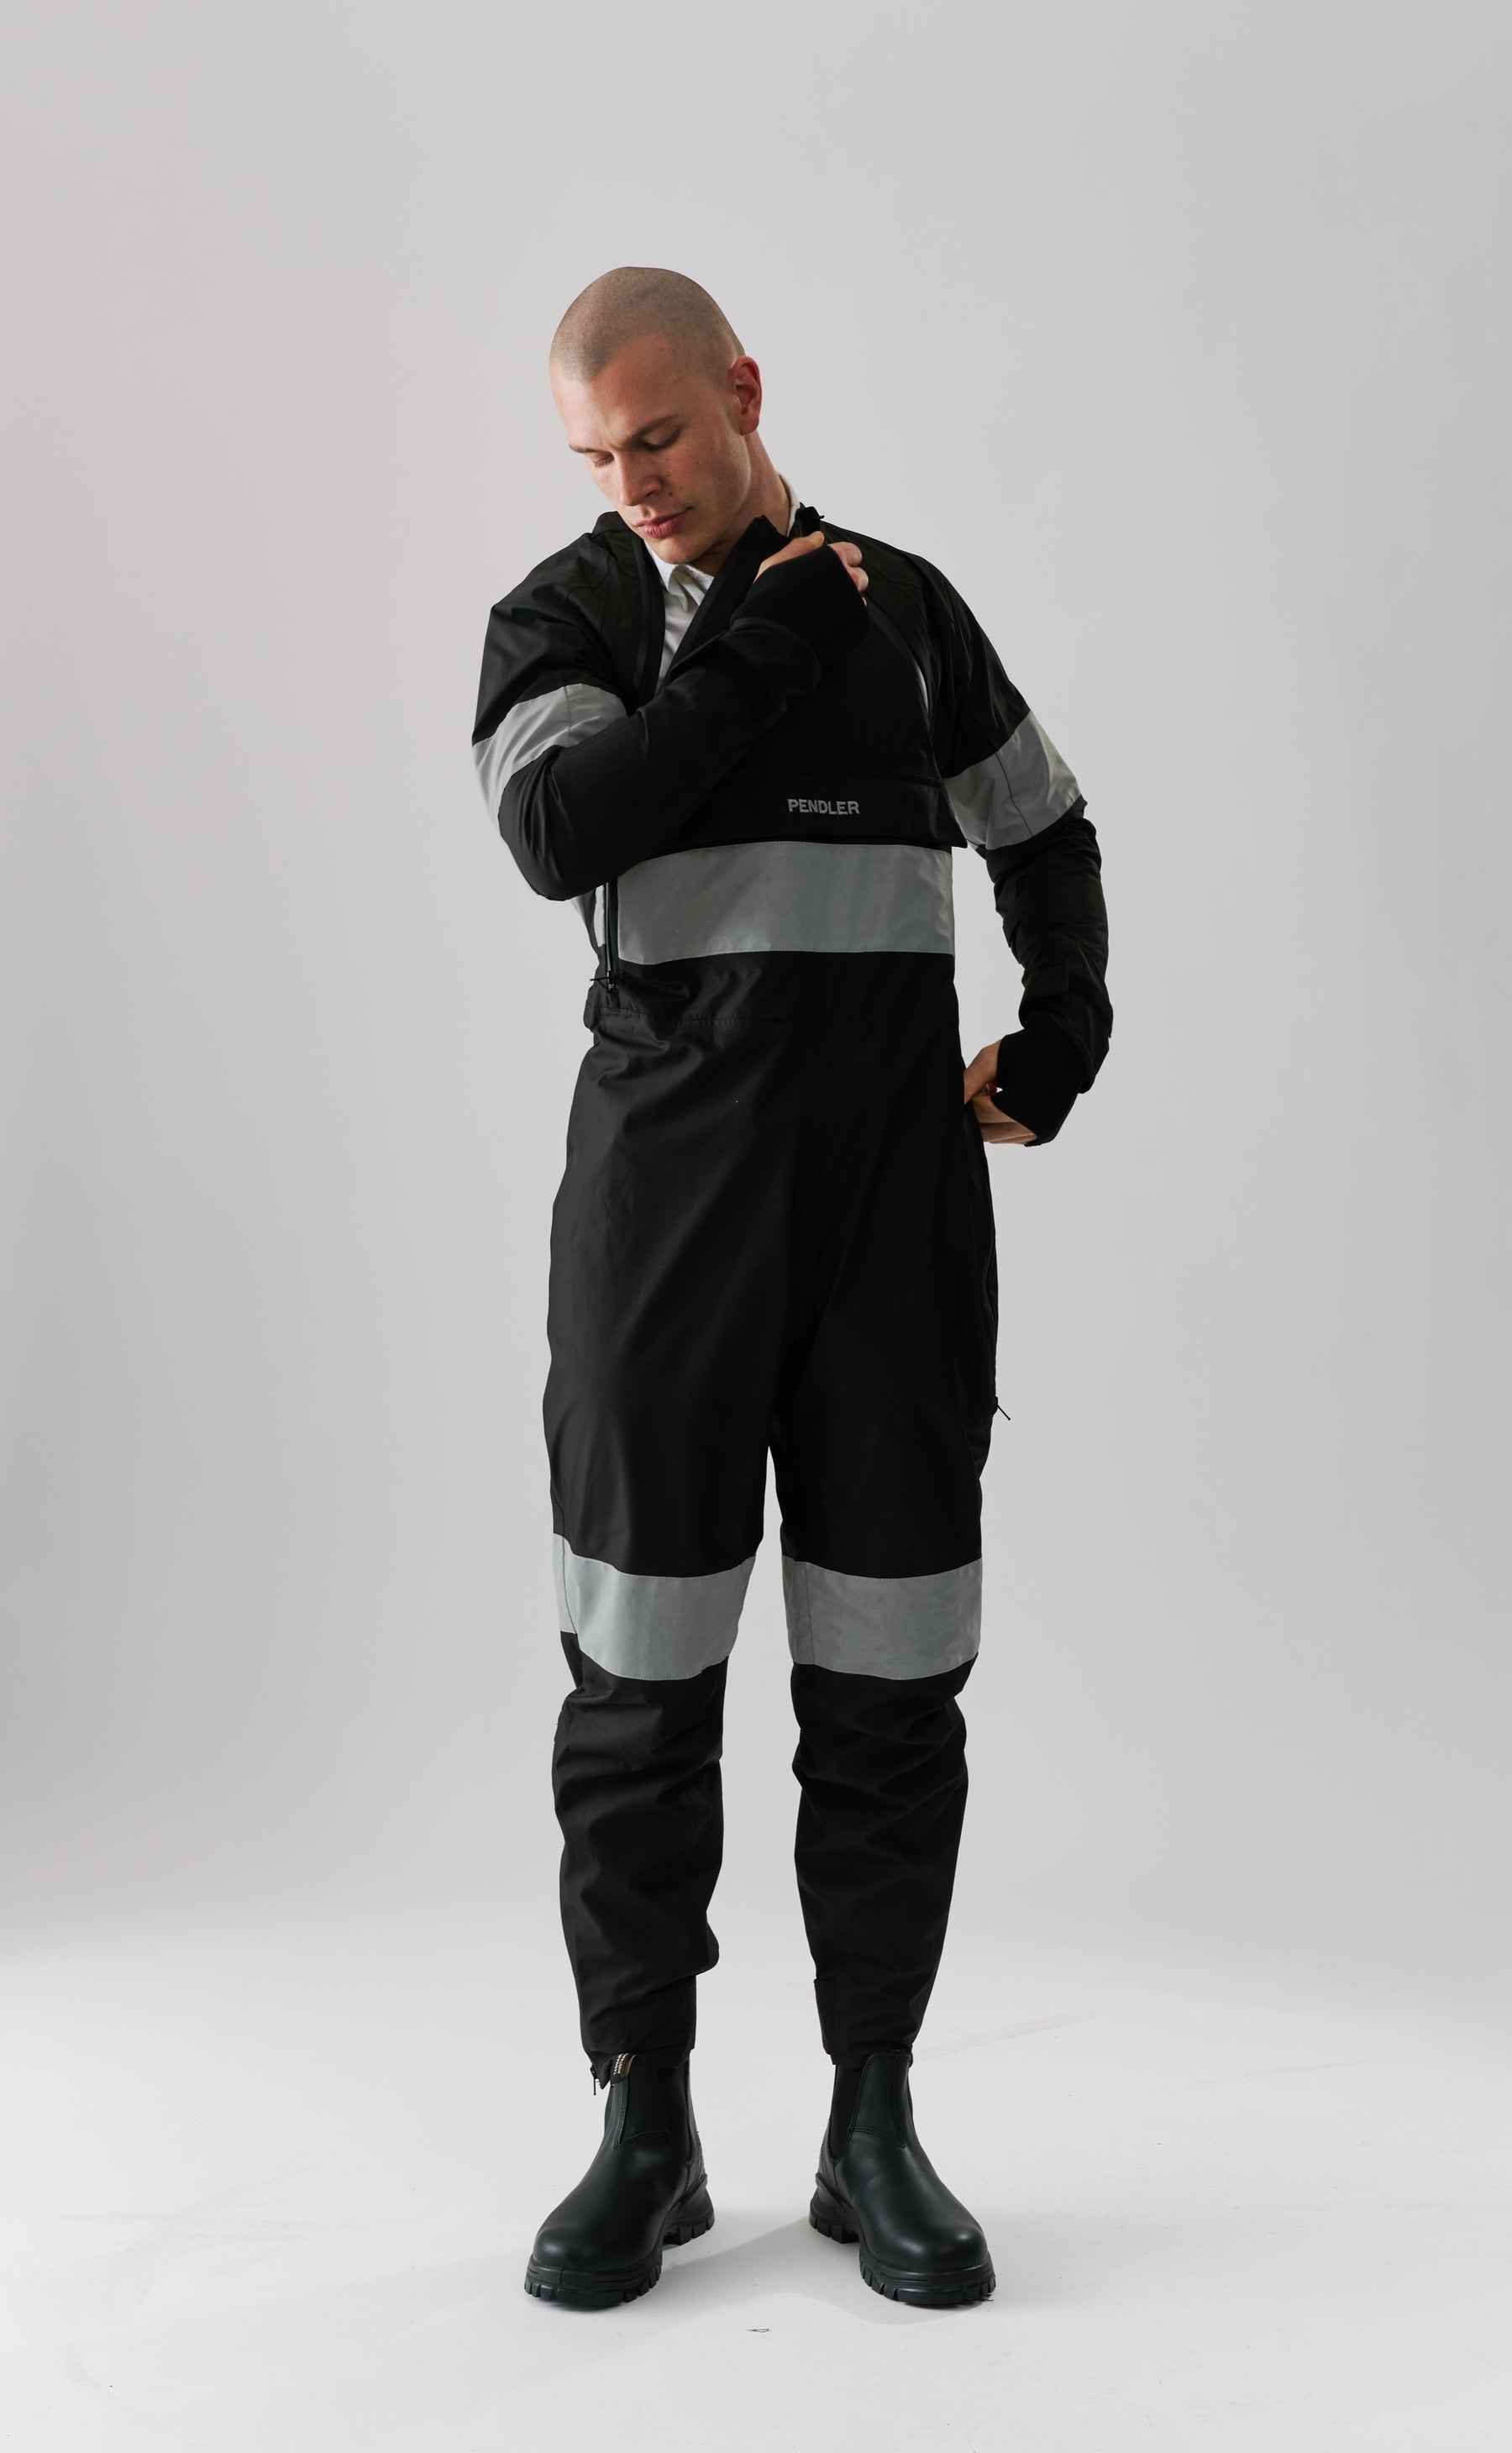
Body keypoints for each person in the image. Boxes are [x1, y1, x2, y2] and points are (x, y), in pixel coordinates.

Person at [470, 267, 1112, 2312]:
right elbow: (562, 823)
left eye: (659, 435)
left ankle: (872, 2116)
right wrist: (761, 644)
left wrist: (1064, 1033)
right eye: (596, 454)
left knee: (893, 1681)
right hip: (663, 1221)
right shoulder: (563, 621)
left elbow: (1045, 827)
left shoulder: (905, 608)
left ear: (742, 389)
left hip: (892, 1226)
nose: (633, 483)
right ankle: (643, 2122)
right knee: (638, 1684)